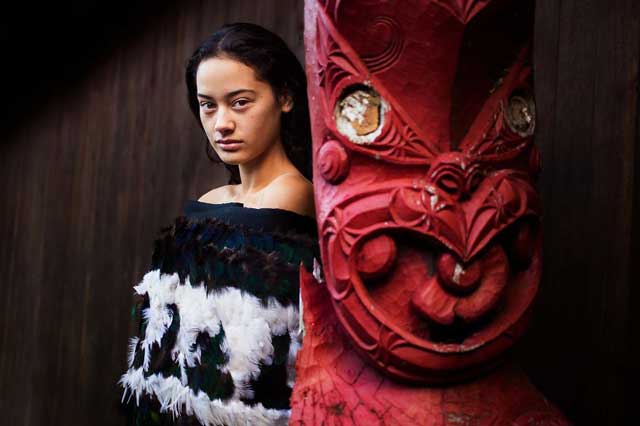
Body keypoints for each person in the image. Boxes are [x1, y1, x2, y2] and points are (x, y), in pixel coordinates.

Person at [119, 23, 318, 426]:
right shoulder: (211, 202)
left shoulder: (291, 196)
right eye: (208, 105)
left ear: (285, 97)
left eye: (240, 102)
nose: (221, 123)